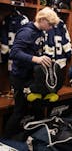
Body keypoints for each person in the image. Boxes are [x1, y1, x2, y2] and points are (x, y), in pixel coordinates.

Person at [4, 7, 60, 138]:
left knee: (37, 106)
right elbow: (14, 53)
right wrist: (36, 59)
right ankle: (5, 139)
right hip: (19, 77)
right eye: (50, 24)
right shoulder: (27, 32)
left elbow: (33, 50)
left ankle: (36, 136)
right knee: (19, 110)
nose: (51, 28)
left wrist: (43, 58)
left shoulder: (39, 32)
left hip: (29, 75)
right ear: (42, 20)